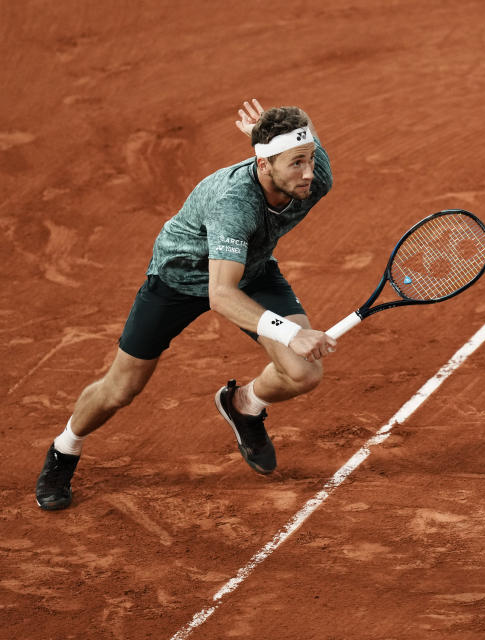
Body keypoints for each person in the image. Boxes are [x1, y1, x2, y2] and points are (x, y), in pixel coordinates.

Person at [35, 99, 337, 510]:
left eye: (310, 158)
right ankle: (64, 450)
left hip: (251, 267)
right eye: (295, 163)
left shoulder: (315, 176)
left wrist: (269, 138)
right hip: (179, 279)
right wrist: (291, 332)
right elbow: (221, 296)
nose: (307, 173)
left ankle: (243, 405)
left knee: (302, 372)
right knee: (121, 388)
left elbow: (300, 149)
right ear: (264, 165)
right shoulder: (234, 203)